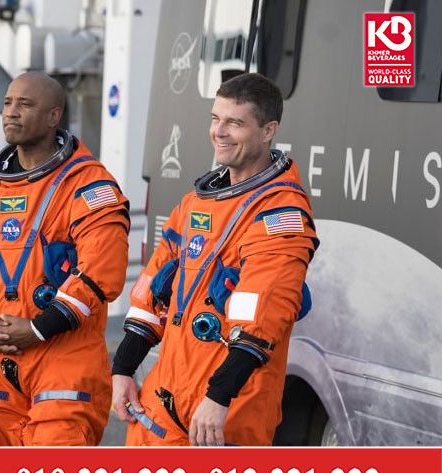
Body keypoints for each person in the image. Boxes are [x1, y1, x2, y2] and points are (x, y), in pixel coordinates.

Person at [111, 73, 319, 447]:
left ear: (268, 130)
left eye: (235, 123)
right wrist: (124, 368)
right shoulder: (196, 204)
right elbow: (152, 291)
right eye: (215, 118)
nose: (219, 132)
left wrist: (218, 397)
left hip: (228, 406)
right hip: (165, 397)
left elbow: (264, 316)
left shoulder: (280, 215)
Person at [0, 72, 131, 446]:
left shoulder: (89, 186)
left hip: (62, 357)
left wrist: (38, 329)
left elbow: (100, 271)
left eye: (24, 104)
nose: (11, 112)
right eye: (7, 103)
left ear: (53, 117)